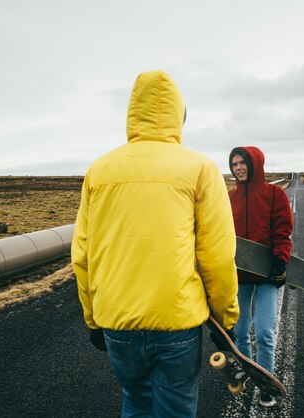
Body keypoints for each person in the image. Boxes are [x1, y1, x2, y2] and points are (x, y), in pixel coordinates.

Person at [71, 70, 239, 418]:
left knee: (134, 401)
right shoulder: (200, 168)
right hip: (177, 322)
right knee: (175, 409)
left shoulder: (99, 170)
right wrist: (226, 320)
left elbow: (83, 255)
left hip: (117, 322)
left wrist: (92, 319)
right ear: (179, 115)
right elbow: (217, 255)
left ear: (132, 112)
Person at [228, 146, 294, 408]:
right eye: (234, 164)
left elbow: (283, 228)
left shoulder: (274, 194)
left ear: (255, 164)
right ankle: (247, 373)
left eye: (243, 162)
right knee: (241, 331)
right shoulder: (229, 198)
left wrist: (281, 261)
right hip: (239, 275)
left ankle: (266, 382)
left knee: (265, 331)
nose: (238, 168)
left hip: (267, 274)